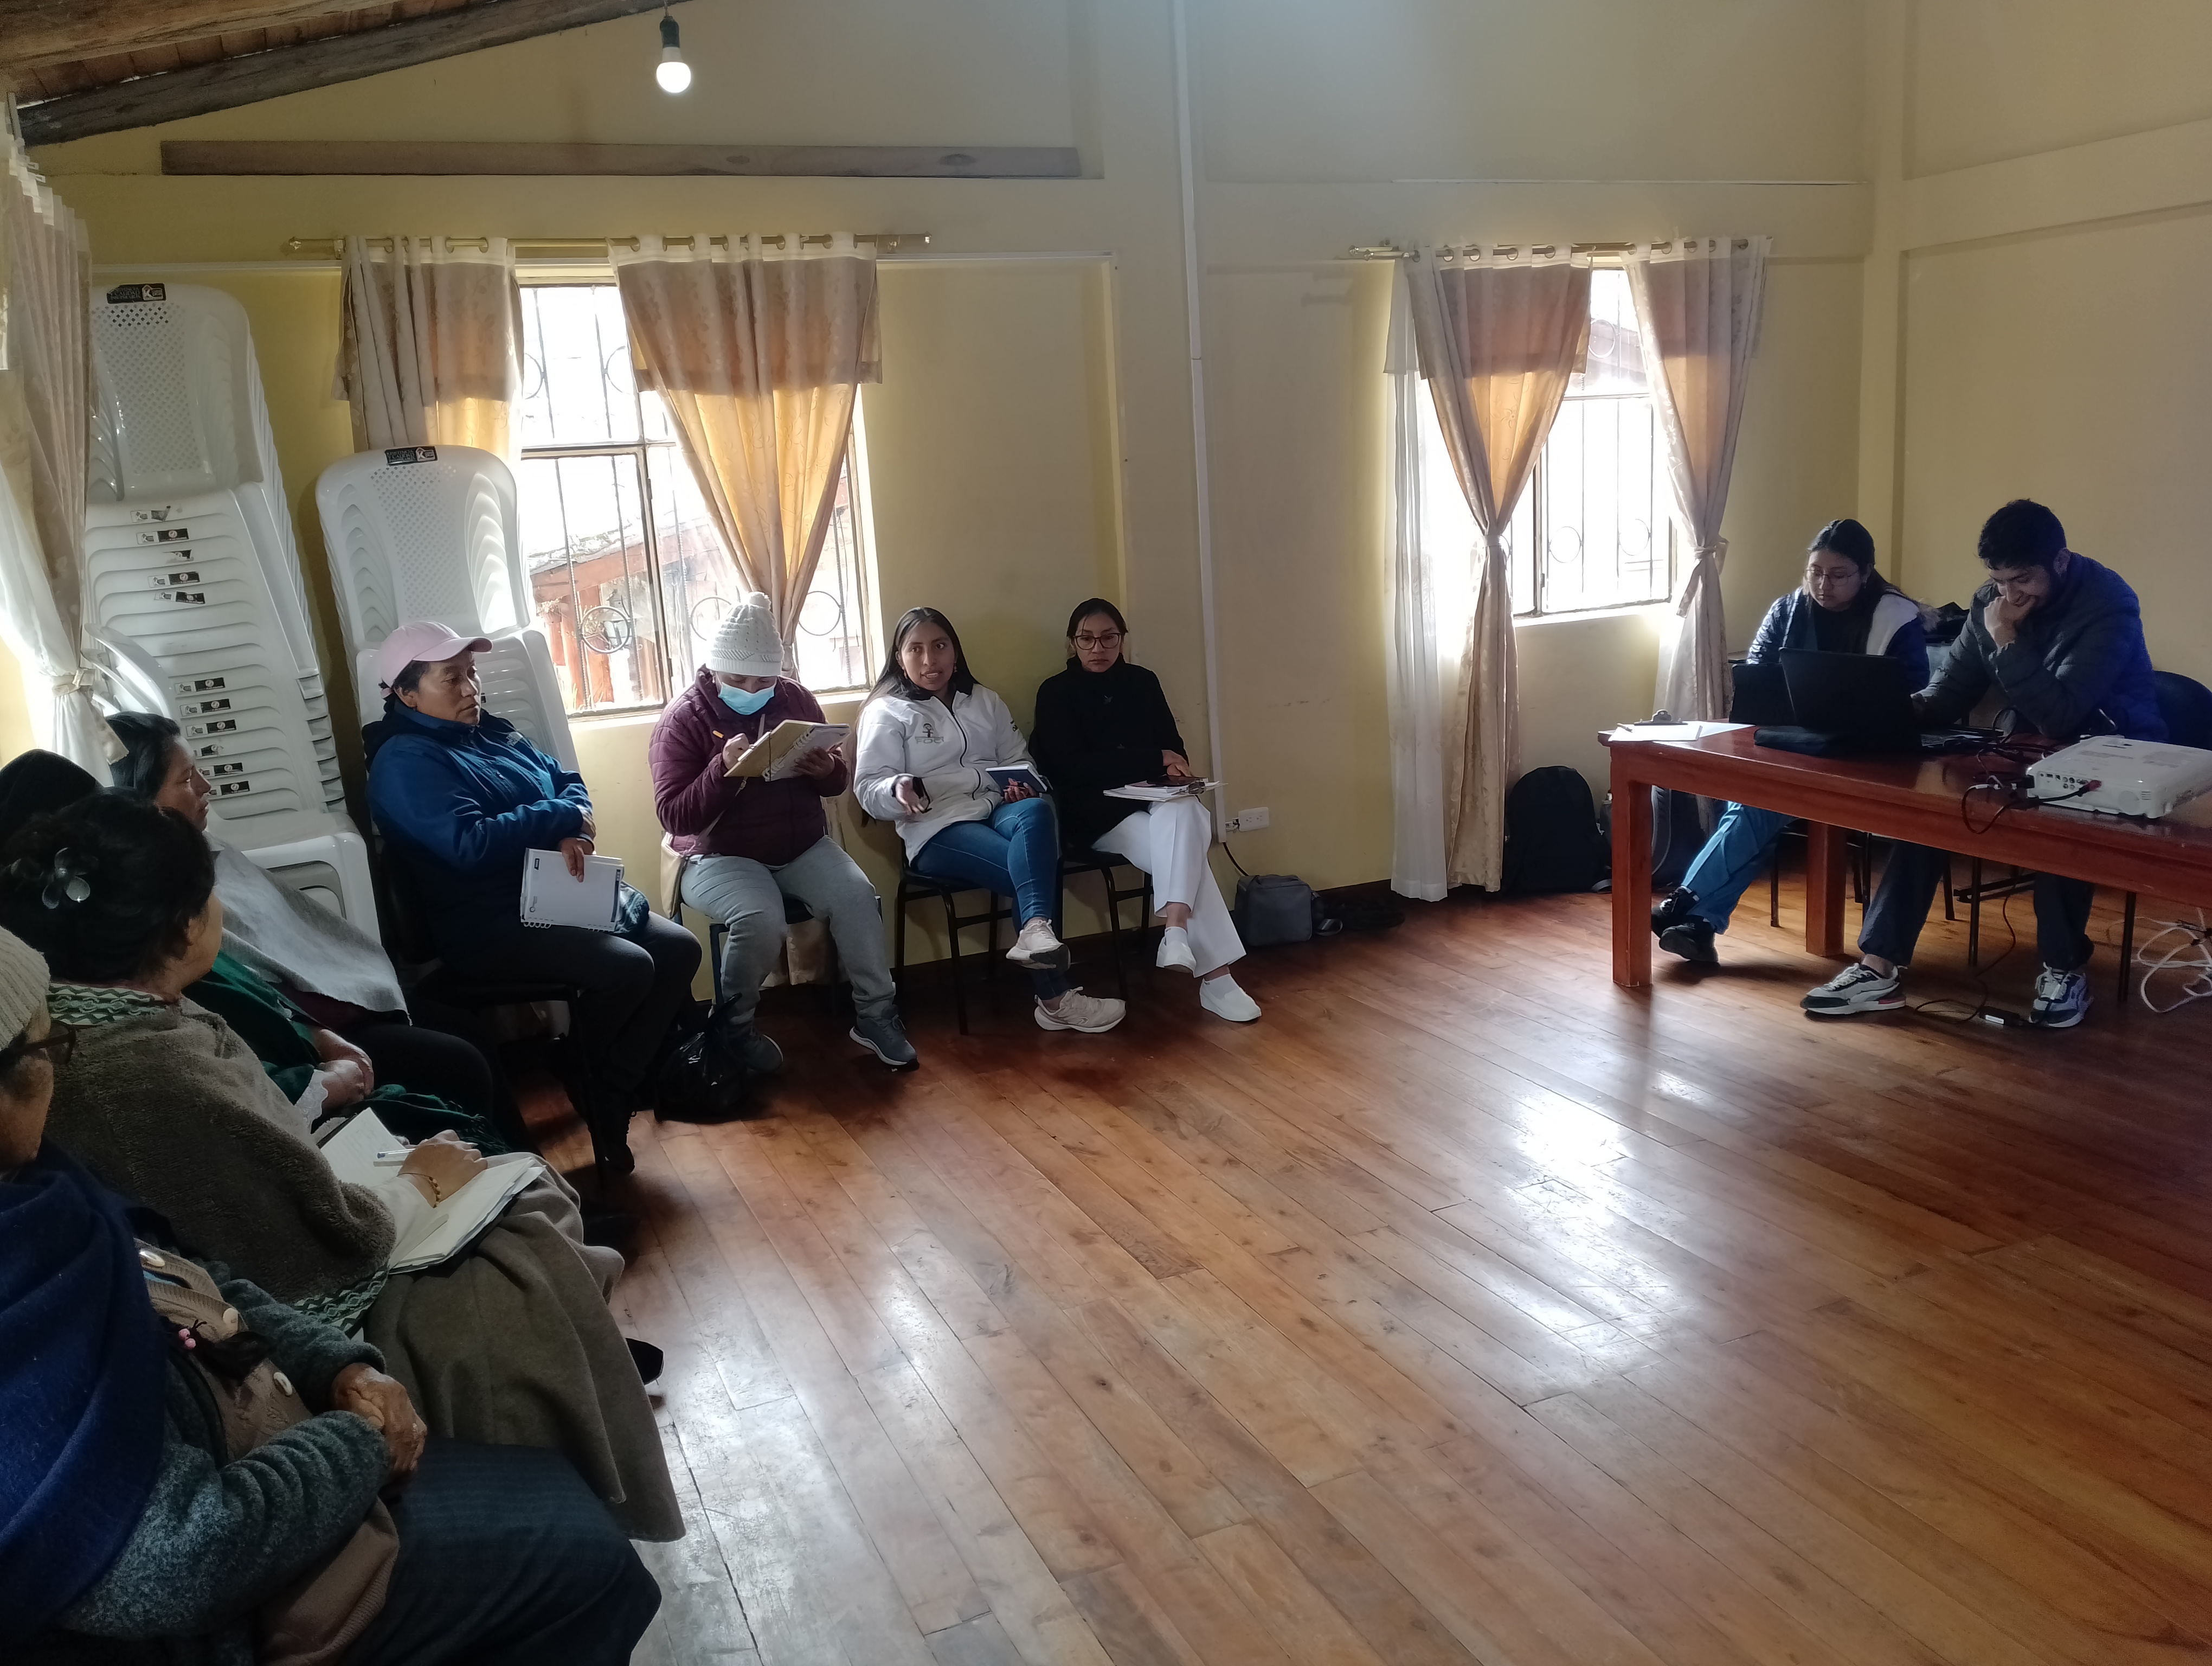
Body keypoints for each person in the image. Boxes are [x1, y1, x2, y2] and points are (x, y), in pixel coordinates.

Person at [2, 791, 681, 1542]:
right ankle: (580, 1493)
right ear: (186, 924)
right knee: (525, 1240)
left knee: (524, 1187)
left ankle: (593, 1367)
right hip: (294, 1298)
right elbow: (323, 1240)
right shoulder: (149, 1072)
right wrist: (418, 1181)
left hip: (290, 1212)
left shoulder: (111, 1015)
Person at [0, 928, 662, 1665]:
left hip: (266, 1438)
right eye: (48, 1046)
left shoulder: (36, 1182)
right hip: (234, 1614)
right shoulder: (77, 1159)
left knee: (554, 1473)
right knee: (592, 1562)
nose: (62, 1062)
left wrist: (338, 1365)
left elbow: (191, 1271)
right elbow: (172, 1565)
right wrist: (360, 1442)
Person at [13, 744, 504, 1155]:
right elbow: (251, 1117)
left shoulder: (148, 971)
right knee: (459, 1075)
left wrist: (317, 1034)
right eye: (186, 778)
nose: (206, 787)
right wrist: (328, 1084)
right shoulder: (149, 1032)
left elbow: (259, 999)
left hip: (313, 1063)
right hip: (320, 1122)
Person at [1802, 499, 2164, 1028]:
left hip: (2113, 751)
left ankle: (2064, 969)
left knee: (2059, 816)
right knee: (1929, 808)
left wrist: (2005, 641)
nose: (2009, 596)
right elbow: (1947, 694)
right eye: (1999, 582)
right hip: (2028, 749)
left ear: (2060, 562)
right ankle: (1877, 967)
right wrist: (1882, 706)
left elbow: (2061, 716)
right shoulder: (1990, 601)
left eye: (2023, 581)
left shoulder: (2108, 604)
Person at [363, 620, 701, 1174]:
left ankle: (598, 1078)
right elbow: (469, 844)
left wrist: (576, 828)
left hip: (552, 895)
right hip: (489, 923)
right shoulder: (404, 761)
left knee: (679, 949)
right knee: (629, 968)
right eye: (452, 679)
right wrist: (559, 817)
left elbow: (567, 780)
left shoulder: (491, 731)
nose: (472, 689)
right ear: (406, 694)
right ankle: (606, 1091)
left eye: (471, 673)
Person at [652, 592, 917, 1074]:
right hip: (718, 855)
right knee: (760, 918)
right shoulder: (684, 719)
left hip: (800, 845)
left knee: (858, 896)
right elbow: (674, 816)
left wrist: (826, 771)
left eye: (764, 681)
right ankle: (733, 1032)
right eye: (738, 680)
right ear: (714, 668)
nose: (752, 689)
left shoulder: (795, 698)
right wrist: (721, 771)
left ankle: (876, 1016)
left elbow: (836, 783)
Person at [1649, 519, 1930, 963]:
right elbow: (1757, 679)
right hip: (1793, 745)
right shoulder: (1788, 610)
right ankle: (1697, 921)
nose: (1823, 585)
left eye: (1838, 575)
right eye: (1815, 572)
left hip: (1867, 755)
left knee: (1754, 805)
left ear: (1866, 573)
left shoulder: (1896, 618)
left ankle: (1687, 903)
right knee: (1754, 802)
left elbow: (1915, 693)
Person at [854, 607, 1126, 1035]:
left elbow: (1020, 760)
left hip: (997, 808)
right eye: (916, 650)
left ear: (956, 652)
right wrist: (897, 789)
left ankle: (1036, 935)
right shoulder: (887, 712)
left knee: (1038, 810)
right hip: (937, 827)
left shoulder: (985, 700)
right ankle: (1055, 999)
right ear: (900, 659)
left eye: (940, 646)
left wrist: (1023, 785)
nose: (930, 660)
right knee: (1034, 869)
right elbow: (869, 787)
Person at [1030, 599, 1261, 1022]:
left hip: (1156, 800)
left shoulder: (1142, 682)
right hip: (1097, 816)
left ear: (1122, 640)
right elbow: (1071, 767)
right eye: (1086, 639)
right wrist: (1153, 758)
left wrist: (1172, 765)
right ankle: (1217, 978)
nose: (1098, 648)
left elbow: (1175, 747)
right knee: (1188, 855)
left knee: (1188, 811)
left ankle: (1176, 932)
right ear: (1072, 642)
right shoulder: (1056, 692)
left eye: (1109, 638)